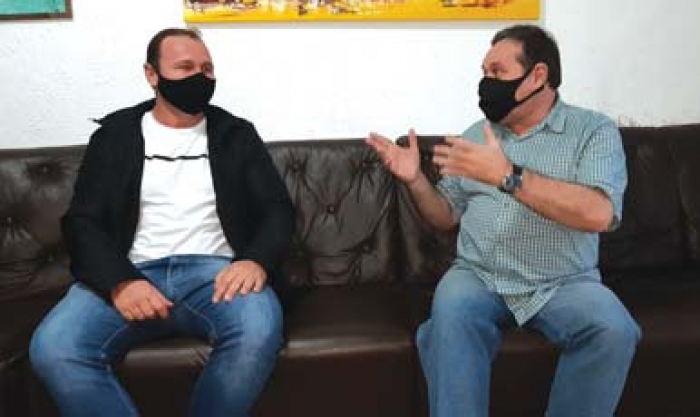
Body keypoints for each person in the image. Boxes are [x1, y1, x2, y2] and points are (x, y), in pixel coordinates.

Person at [366, 24, 640, 417]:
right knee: (449, 316)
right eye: (484, 72)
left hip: (564, 281)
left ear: (538, 76)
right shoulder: (475, 135)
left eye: (498, 72)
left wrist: (508, 177)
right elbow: (444, 215)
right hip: (479, 274)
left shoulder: (592, 131)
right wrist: (415, 181)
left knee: (614, 329)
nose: (486, 83)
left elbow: (599, 213)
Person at [29, 27, 294, 417]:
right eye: (185, 67)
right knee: (55, 347)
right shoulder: (114, 136)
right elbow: (83, 221)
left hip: (217, 275)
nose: (199, 77)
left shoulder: (236, 135)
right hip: (132, 271)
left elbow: (277, 208)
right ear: (152, 75)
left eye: (207, 69)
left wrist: (254, 259)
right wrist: (120, 281)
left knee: (258, 330)